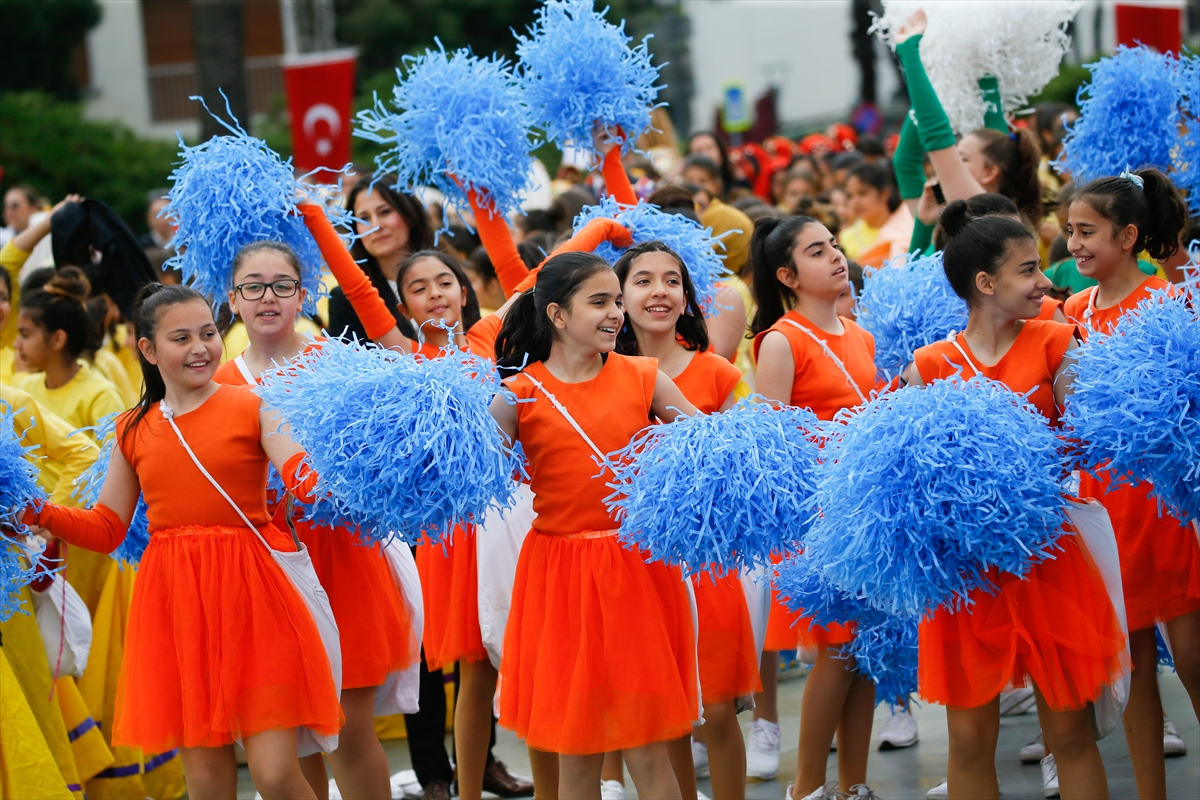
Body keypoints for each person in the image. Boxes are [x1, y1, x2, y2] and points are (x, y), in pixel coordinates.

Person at [24, 282, 343, 800]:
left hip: (256, 597)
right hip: (179, 606)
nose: (200, 348)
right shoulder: (132, 429)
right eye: (181, 338)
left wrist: (341, 468)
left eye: (208, 333)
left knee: (277, 774)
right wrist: (36, 511)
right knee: (207, 781)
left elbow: (302, 476)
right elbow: (107, 529)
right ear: (147, 349)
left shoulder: (255, 405)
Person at [904, 200, 1126, 800]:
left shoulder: (1060, 341)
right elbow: (907, 477)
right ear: (985, 283)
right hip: (967, 573)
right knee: (970, 741)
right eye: (1028, 270)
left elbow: (1086, 444)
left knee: (1070, 735)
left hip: (1046, 560)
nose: (1046, 281)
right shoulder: (929, 366)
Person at [212, 208, 422, 800]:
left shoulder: (339, 363)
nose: (267, 298)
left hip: (343, 557)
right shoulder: (222, 383)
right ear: (233, 299)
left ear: (303, 293)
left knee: (348, 730)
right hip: (271, 568)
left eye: (281, 285)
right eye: (253, 288)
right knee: (299, 734)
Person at [489, 250, 700, 800]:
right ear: (557, 315)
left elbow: (709, 451)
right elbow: (465, 472)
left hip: (634, 571)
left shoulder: (643, 377)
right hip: (560, 578)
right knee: (575, 749)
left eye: (616, 302)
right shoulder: (519, 396)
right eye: (599, 302)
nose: (616, 314)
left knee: (646, 746)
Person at [1062, 169, 1200, 799]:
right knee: (1134, 667)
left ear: (1129, 235)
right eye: (1070, 232)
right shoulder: (1071, 312)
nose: (1074, 245)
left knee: (1194, 657)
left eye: (1087, 231)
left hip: (1163, 506)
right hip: (1103, 511)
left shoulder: (1168, 303)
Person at [750, 216, 882, 799]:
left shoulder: (861, 333)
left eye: (834, 245)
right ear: (787, 275)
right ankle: (806, 788)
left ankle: (854, 786)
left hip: (869, 511)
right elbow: (771, 445)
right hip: (821, 520)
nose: (835, 256)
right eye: (815, 250)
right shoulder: (781, 339)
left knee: (865, 652)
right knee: (835, 650)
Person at [328, 177, 433, 342]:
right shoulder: (346, 300)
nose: (376, 225)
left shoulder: (452, 277)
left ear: (409, 214)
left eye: (385, 212)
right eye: (364, 218)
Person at [837, 162, 912, 268]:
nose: (855, 202)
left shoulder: (909, 224)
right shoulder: (847, 237)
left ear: (884, 194)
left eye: (862, 193)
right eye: (850, 196)